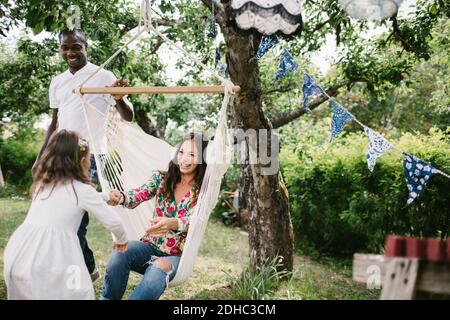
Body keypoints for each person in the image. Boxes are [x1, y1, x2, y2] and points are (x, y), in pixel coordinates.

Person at [33, 28, 134, 282]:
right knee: (58, 215)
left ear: (85, 46)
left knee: (75, 219)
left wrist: (119, 98)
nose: (70, 52)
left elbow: (128, 115)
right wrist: (41, 155)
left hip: (87, 156)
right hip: (59, 154)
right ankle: (85, 268)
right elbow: (55, 122)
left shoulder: (103, 75)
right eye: (65, 47)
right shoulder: (57, 81)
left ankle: (85, 270)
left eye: (75, 46)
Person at [3, 130, 128, 300]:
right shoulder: (83, 190)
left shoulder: (43, 185)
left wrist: (105, 196)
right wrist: (121, 240)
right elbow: (115, 223)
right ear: (83, 162)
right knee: (78, 292)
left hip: (20, 251)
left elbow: (69, 200)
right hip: (55, 254)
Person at [101, 132, 208, 300]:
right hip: (149, 247)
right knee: (120, 250)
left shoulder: (203, 192)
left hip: (177, 256)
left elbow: (196, 222)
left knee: (159, 267)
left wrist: (173, 223)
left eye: (192, 155)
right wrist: (121, 196)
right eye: (181, 152)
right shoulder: (162, 178)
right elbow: (139, 194)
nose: (184, 159)